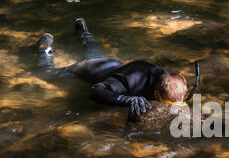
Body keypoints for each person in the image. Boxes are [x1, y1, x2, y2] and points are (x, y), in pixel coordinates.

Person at [35, 18, 189, 117]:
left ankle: (84, 32)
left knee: (95, 57)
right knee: (46, 73)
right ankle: (44, 46)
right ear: (156, 93)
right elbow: (96, 91)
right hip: (90, 69)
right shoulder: (128, 81)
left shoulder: (168, 82)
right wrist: (126, 99)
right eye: (168, 105)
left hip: (111, 66)